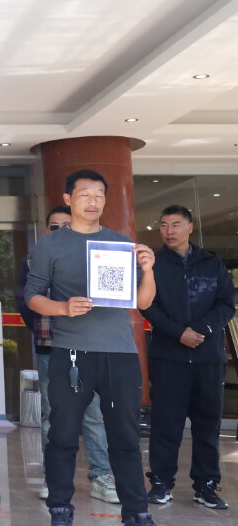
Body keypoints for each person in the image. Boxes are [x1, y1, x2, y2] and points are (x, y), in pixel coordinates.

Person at [25, 169, 159, 526]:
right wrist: (63, 308)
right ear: (68, 199)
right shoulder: (51, 244)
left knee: (125, 436)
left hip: (120, 354)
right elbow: (32, 296)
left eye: (99, 195)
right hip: (72, 352)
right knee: (63, 434)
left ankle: (137, 511)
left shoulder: (120, 243)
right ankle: (60, 508)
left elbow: (143, 302)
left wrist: (148, 270)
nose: (93, 201)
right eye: (85, 194)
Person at [14, 206, 119, 503]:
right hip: (51, 347)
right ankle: (54, 478)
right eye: (54, 226)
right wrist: (42, 327)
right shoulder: (34, 259)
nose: (59, 230)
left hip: (91, 345)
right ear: (47, 230)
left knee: (95, 414)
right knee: (53, 415)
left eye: (66, 224)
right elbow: (24, 300)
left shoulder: (96, 256)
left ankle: (100, 476)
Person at [143, 204, 235, 509]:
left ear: (190, 227)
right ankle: (161, 483)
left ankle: (206, 486)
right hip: (169, 357)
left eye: (176, 224)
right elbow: (147, 306)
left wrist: (201, 329)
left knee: (207, 426)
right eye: (164, 225)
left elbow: (226, 303)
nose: (169, 231)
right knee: (166, 424)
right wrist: (178, 332)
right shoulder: (154, 265)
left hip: (209, 358)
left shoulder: (212, 263)